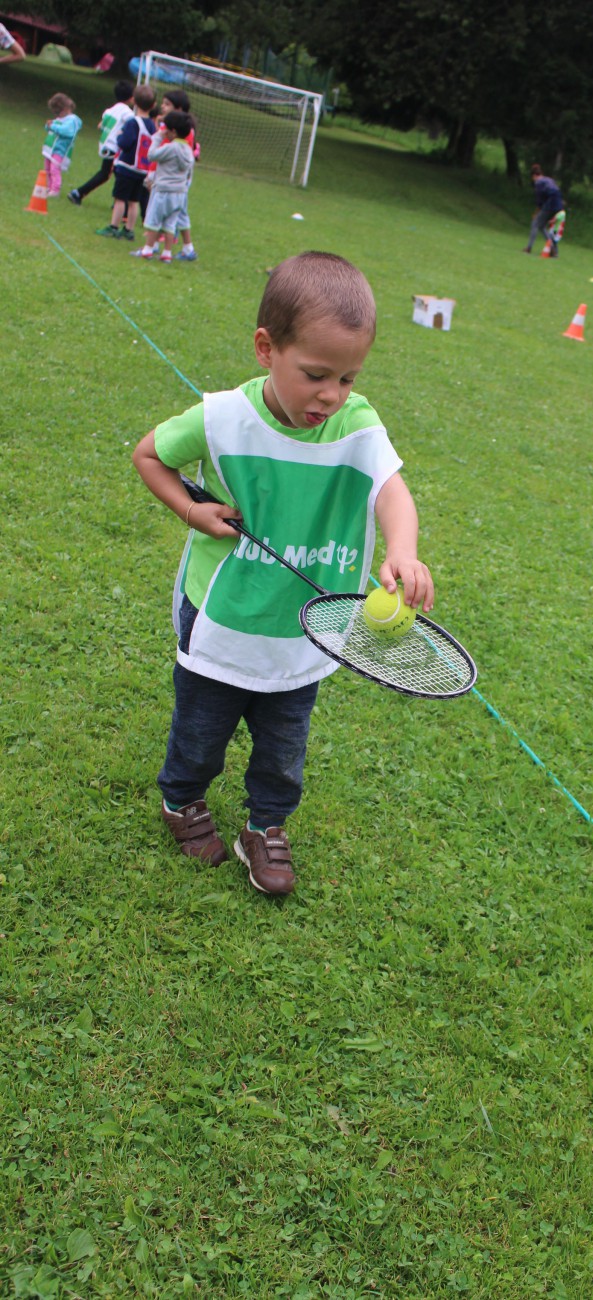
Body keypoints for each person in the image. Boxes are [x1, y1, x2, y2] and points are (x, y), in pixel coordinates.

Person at [131, 251, 434, 896]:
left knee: (284, 746)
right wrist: (191, 509)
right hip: (224, 612)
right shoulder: (222, 417)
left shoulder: (356, 424)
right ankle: (182, 800)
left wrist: (403, 550)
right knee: (201, 730)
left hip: (306, 628)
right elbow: (149, 455)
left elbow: (392, 490)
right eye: (316, 375)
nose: (332, 395)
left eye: (348, 378)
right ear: (267, 349)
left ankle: (265, 824)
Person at [131, 111, 194, 263]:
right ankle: (167, 253)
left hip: (164, 191)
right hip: (179, 194)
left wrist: (158, 137)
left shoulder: (171, 148)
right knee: (170, 224)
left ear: (173, 132)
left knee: (154, 220)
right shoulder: (188, 150)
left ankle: (148, 249)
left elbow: (152, 155)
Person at [96, 83, 155, 240]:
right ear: (153, 105)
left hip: (127, 166)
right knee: (134, 201)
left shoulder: (133, 123)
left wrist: (120, 136)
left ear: (134, 101)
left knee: (120, 198)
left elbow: (125, 143)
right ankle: (129, 230)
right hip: (142, 168)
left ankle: (114, 227)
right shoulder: (152, 125)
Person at [68, 80, 134, 206]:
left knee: (109, 174)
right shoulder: (128, 113)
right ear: (131, 98)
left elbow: (101, 125)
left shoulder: (110, 110)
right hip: (115, 148)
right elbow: (132, 126)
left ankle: (118, 203)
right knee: (115, 175)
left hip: (106, 145)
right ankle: (79, 193)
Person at [42, 94, 83, 197]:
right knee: (47, 168)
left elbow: (66, 131)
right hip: (51, 148)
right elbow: (53, 126)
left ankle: (55, 189)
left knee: (54, 169)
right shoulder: (61, 118)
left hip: (60, 149)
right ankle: (48, 187)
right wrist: (48, 125)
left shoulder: (72, 120)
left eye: (57, 112)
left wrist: (53, 126)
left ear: (65, 109)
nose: (56, 115)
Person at [523, 163, 566, 257]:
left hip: (551, 203)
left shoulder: (538, 183)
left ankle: (529, 248)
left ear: (534, 176)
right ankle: (553, 249)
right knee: (541, 226)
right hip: (558, 205)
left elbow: (540, 201)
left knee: (535, 223)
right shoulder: (549, 179)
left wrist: (536, 213)